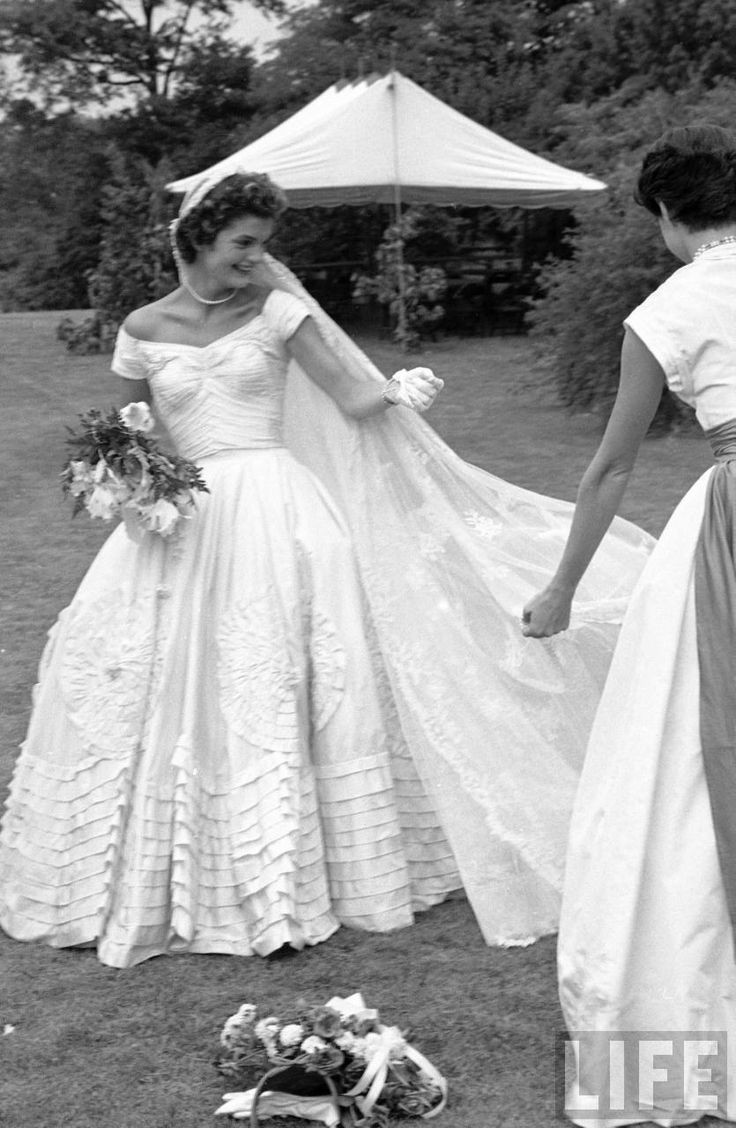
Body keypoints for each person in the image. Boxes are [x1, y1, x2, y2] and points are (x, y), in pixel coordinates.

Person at [0, 171, 651, 969]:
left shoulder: (278, 311)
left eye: (264, 245)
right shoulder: (140, 327)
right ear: (198, 237)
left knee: (283, 672)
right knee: (152, 673)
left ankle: (305, 866)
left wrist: (399, 390)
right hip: (185, 517)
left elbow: (352, 396)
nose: (257, 259)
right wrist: (129, 483)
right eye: (244, 243)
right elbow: (134, 431)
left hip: (277, 508)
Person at [522, 124, 736, 1124]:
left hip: (726, 525)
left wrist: (562, 588)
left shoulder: (666, 309)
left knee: (686, 768)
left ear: (661, 215)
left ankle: (677, 1047)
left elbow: (611, 466)